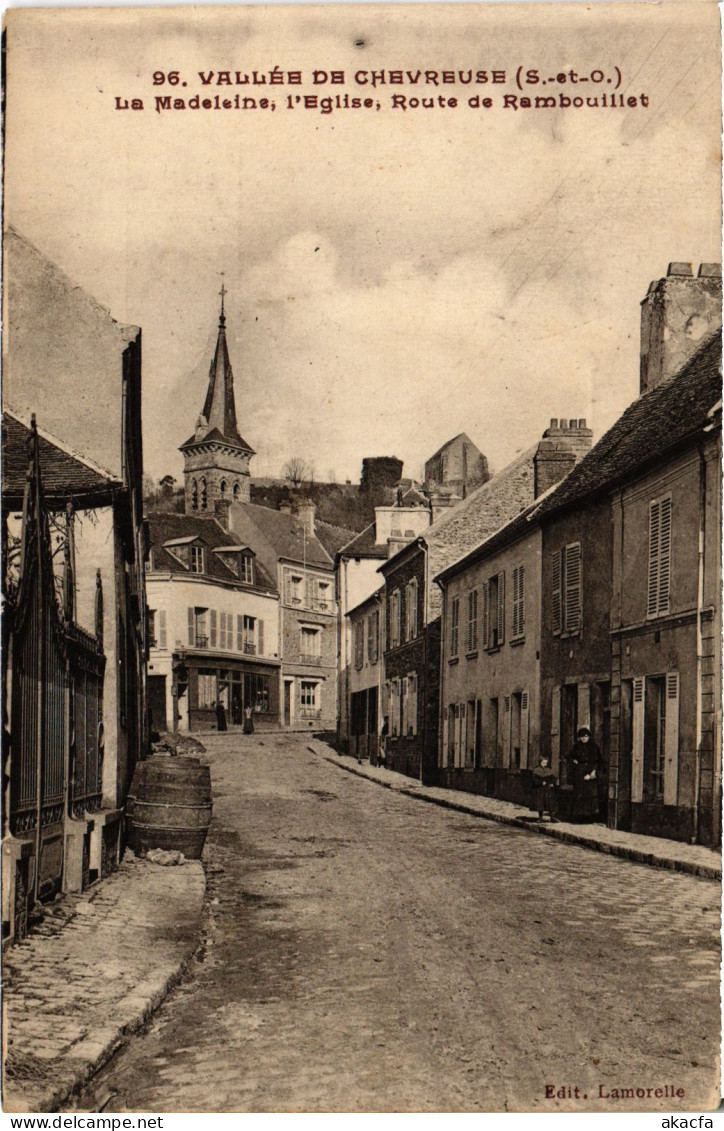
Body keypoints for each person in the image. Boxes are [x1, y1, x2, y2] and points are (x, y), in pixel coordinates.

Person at [565, 726, 601, 822]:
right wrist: (574, 761)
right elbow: (569, 756)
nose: (584, 738)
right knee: (579, 794)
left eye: (586, 736)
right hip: (579, 773)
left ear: (589, 737)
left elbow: (598, 761)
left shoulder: (594, 747)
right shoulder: (576, 746)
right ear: (579, 737)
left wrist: (592, 773)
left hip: (590, 772)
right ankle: (578, 817)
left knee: (589, 795)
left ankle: (589, 817)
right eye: (582, 737)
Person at [530, 755, 557, 821]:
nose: (545, 764)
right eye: (543, 763)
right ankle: (540, 817)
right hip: (540, 790)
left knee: (550, 803)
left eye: (546, 763)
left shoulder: (548, 770)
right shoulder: (536, 770)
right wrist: (541, 782)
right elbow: (534, 779)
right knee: (540, 804)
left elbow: (553, 778)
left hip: (548, 789)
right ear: (540, 762)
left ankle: (552, 817)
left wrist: (552, 783)